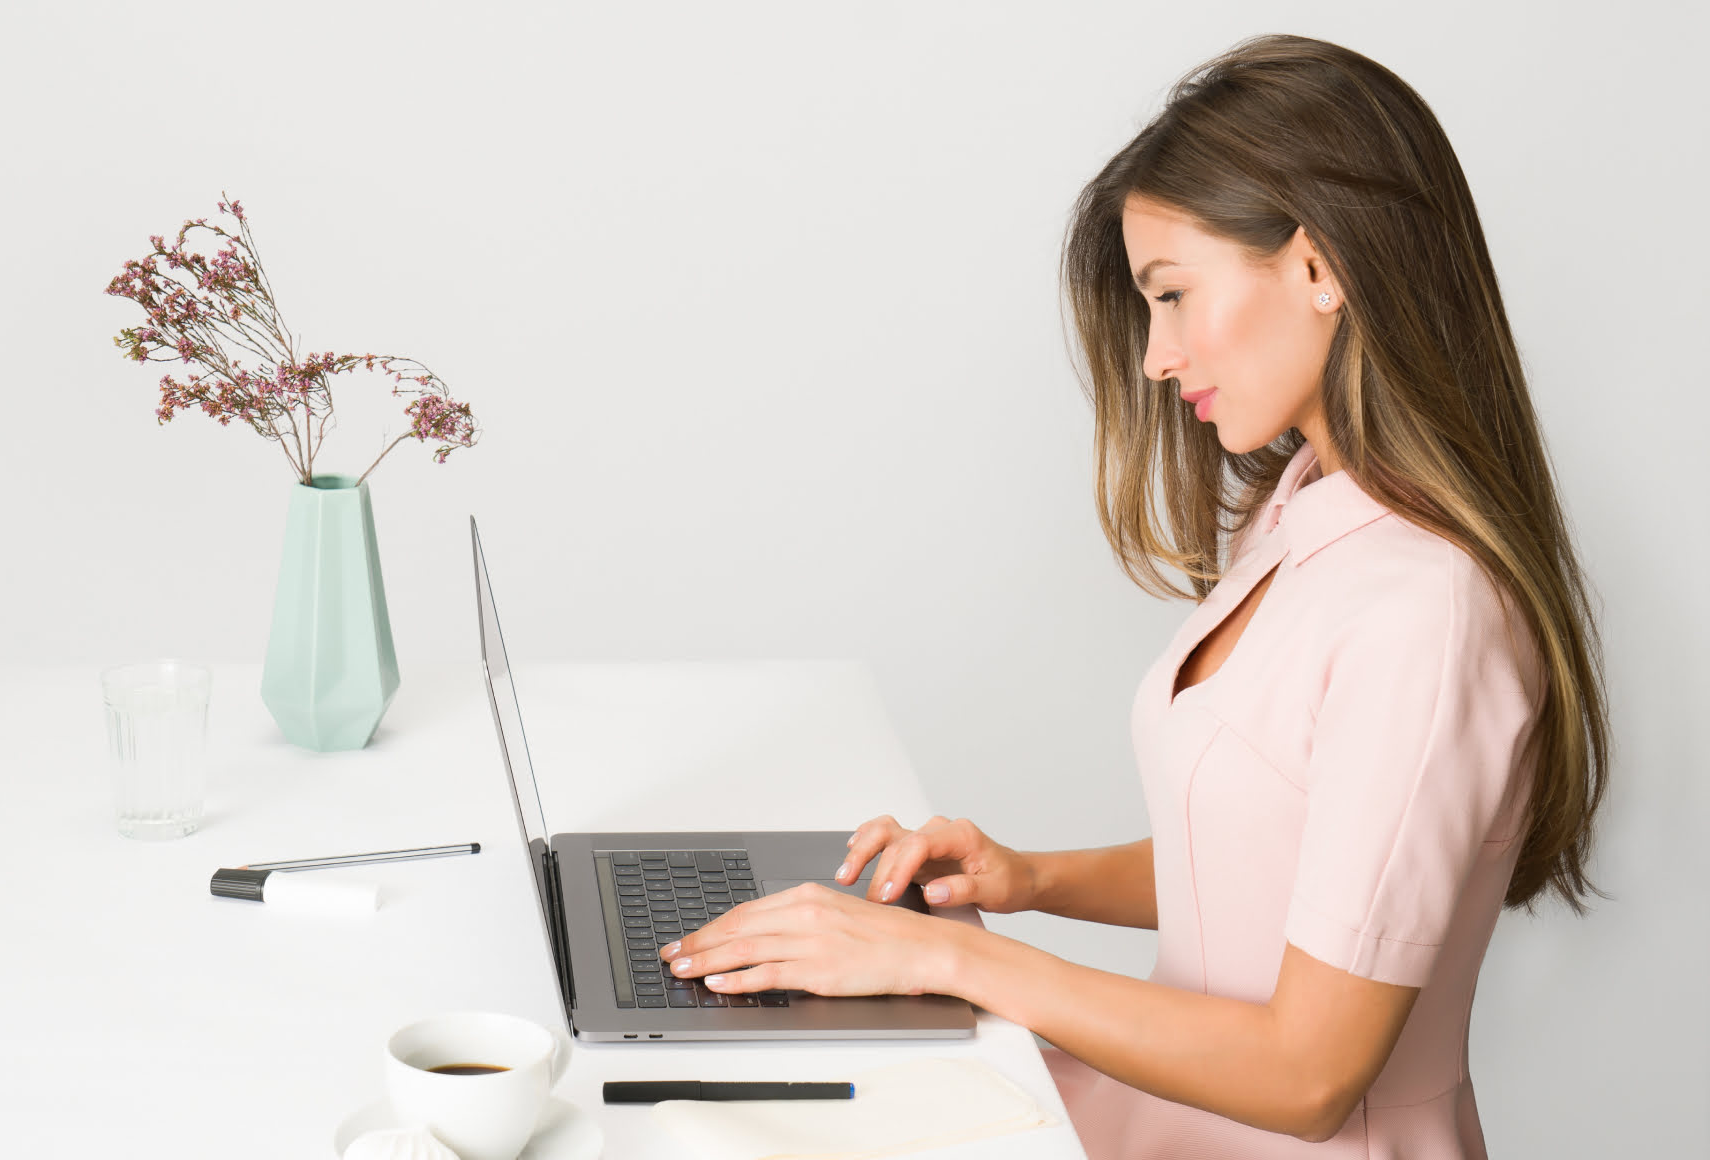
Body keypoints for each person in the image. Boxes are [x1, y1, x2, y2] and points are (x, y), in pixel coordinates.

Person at [656, 32, 1610, 1159]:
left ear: (1320, 266)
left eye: (1172, 294)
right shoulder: (1299, 514)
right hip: (1168, 1121)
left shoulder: (1427, 614)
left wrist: (946, 957)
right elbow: (1274, 859)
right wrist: (1023, 878)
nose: (1155, 356)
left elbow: (1310, 1073)